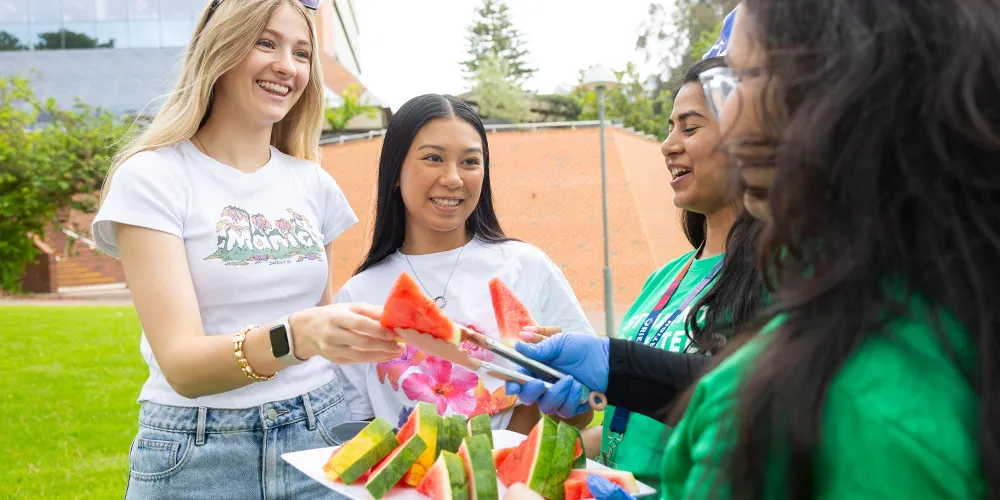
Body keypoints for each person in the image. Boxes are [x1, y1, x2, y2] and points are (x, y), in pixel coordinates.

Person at [521, 0, 1000, 497]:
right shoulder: (914, 316)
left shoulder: (866, 410)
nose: (729, 124)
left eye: (737, 85)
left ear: (840, 96)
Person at [92, 1, 402, 497]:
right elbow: (183, 366)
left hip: (320, 431)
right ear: (221, 49)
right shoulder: (153, 177)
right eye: (266, 43)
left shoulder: (312, 183)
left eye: (302, 53)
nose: (288, 65)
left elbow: (326, 325)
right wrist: (296, 337)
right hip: (198, 450)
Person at [510, 56, 767, 487]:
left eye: (689, 127)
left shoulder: (778, 275)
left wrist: (610, 364)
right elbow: (619, 440)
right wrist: (569, 415)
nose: (668, 145)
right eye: (669, 128)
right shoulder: (663, 280)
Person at [332, 94, 596, 435]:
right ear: (395, 172)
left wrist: (566, 397)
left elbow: (584, 412)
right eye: (433, 158)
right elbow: (357, 428)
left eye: (470, 162)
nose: (453, 178)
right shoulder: (359, 295)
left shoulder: (528, 267)